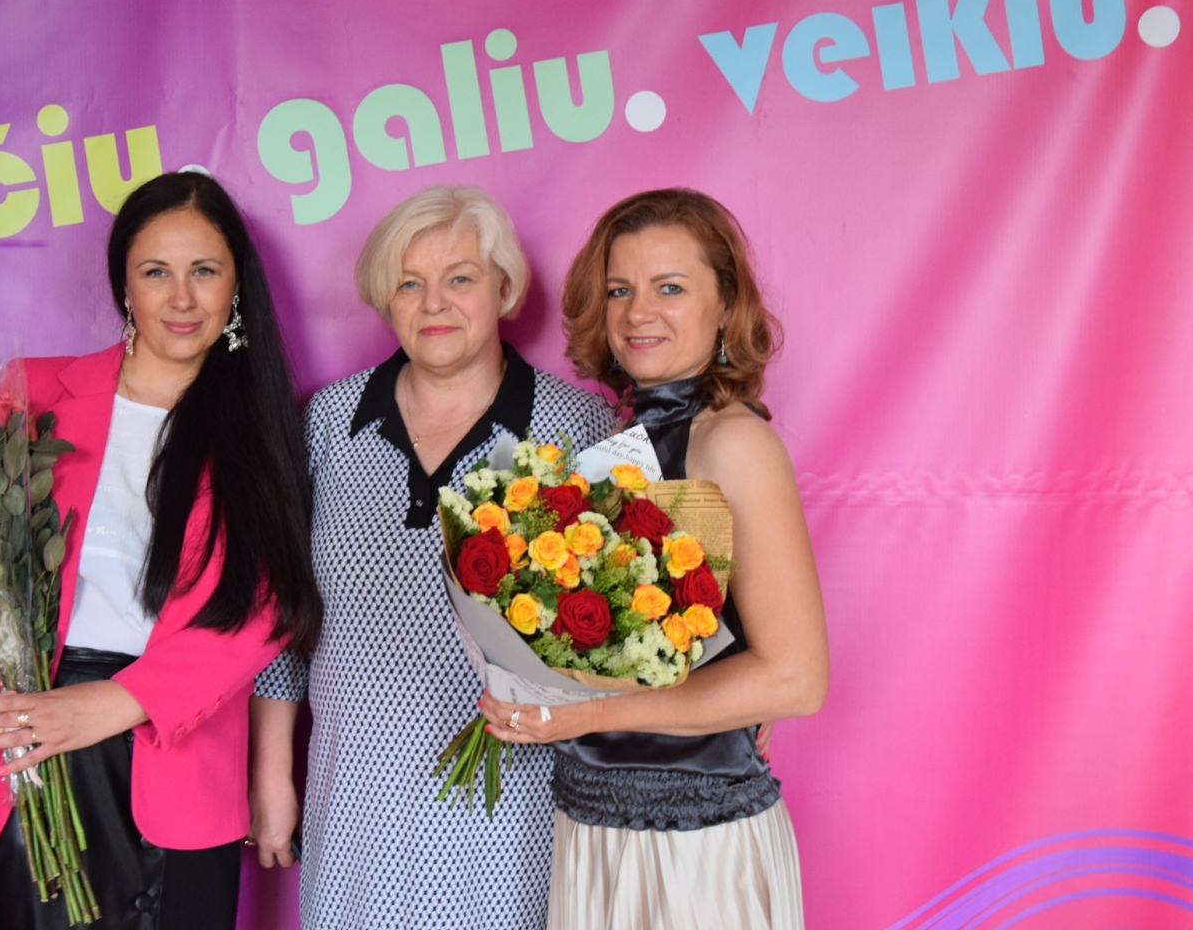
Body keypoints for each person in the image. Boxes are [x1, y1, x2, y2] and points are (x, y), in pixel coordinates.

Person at [0, 170, 322, 929]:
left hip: (171, 751)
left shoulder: (260, 430)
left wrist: (111, 705)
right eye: (156, 272)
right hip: (16, 737)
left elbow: (263, 606)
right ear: (124, 284)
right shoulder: (30, 392)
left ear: (236, 285)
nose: (181, 298)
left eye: (204, 271)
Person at [248, 185, 615, 929]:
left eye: (459, 278)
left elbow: (612, 632)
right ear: (384, 300)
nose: (433, 303)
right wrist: (271, 774)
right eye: (409, 284)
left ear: (503, 289)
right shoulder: (329, 422)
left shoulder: (574, 426)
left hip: (515, 802)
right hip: (355, 801)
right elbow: (285, 616)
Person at [480, 188, 829, 930]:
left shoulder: (733, 442)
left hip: (694, 847)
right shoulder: (617, 449)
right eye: (620, 290)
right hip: (594, 825)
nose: (639, 312)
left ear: (725, 305)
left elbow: (796, 679)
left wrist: (583, 714)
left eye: (669, 287)